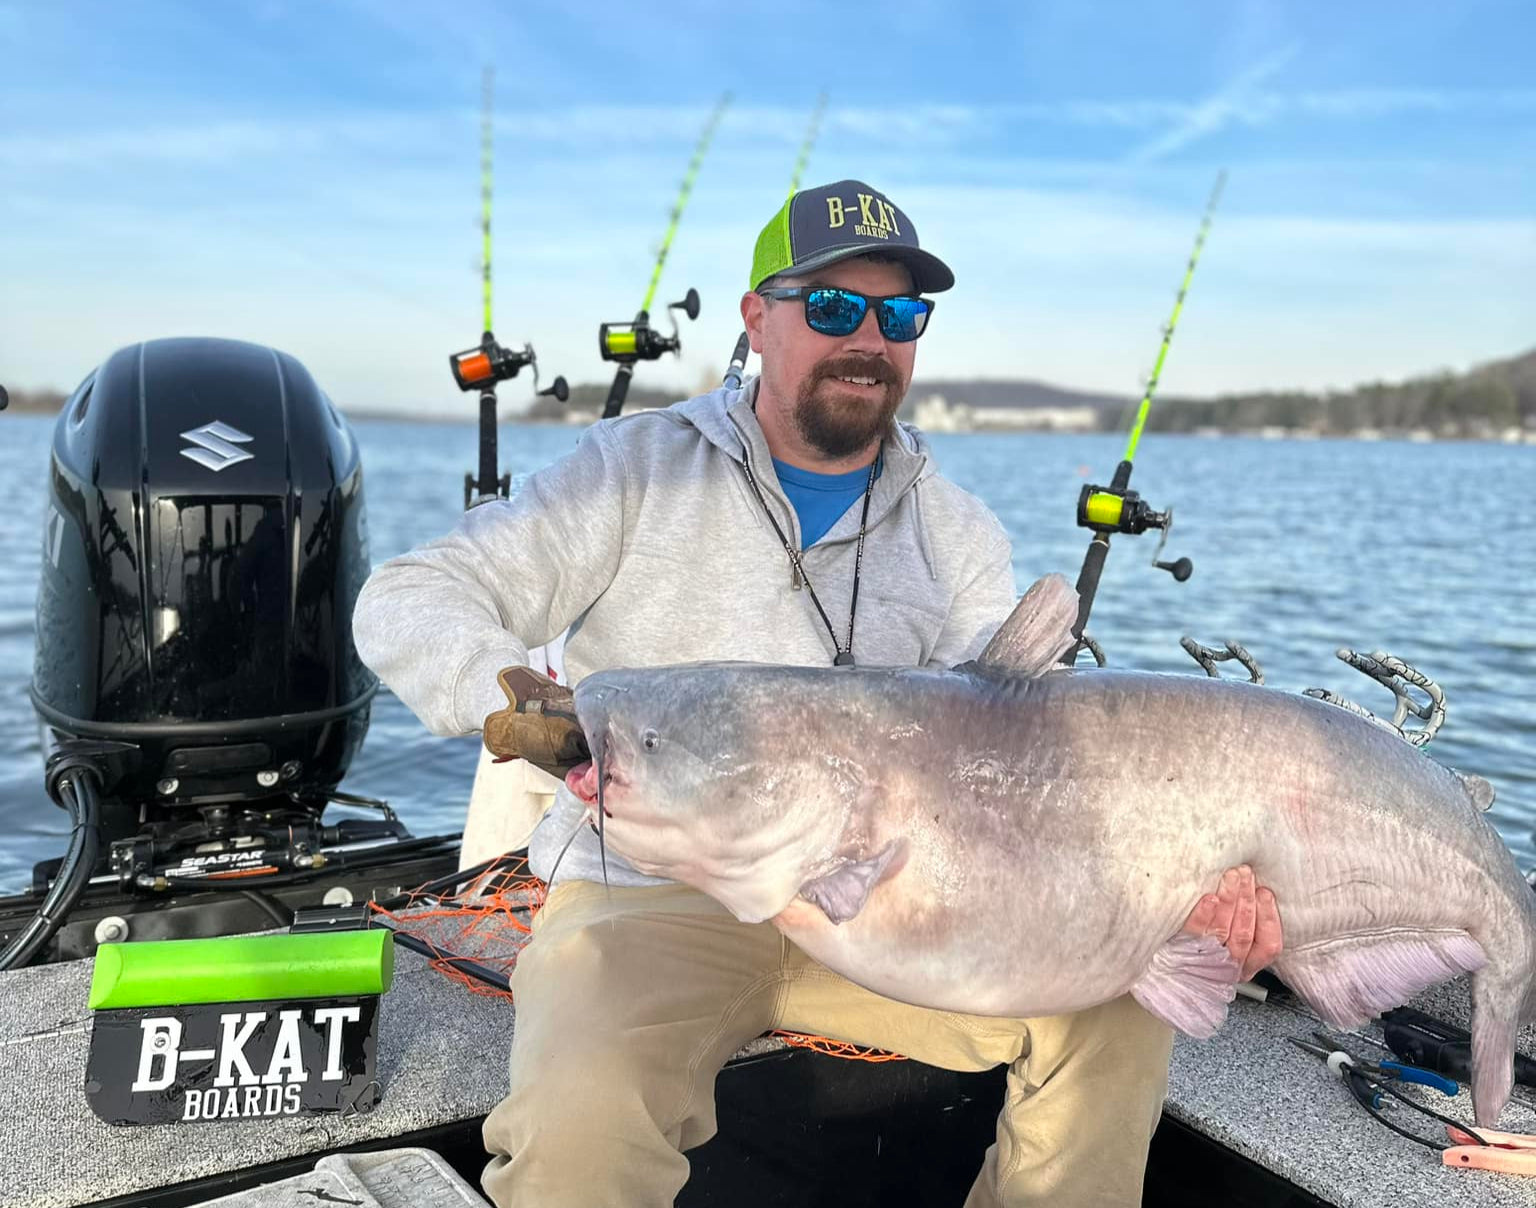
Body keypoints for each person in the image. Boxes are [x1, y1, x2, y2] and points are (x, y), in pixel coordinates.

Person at [352, 179, 1282, 1207]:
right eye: (834, 307)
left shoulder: (959, 534)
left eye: (900, 315)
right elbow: (410, 595)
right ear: (758, 318)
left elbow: (1028, 760)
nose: (869, 340)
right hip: (657, 894)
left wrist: (1175, 893)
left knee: (1114, 1015)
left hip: (895, 906)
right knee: (579, 1114)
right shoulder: (632, 470)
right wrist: (512, 693)